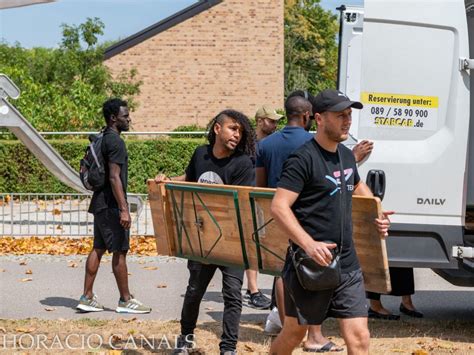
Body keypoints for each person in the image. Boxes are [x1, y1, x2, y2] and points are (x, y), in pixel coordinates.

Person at [268, 89, 393, 355]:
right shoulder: (302, 159)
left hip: (347, 264)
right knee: (294, 333)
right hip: (310, 264)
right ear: (319, 119)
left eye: (349, 115)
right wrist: (309, 244)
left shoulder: (346, 156)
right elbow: (279, 207)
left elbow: (357, 186)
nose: (347, 121)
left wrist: (377, 215)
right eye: (340, 115)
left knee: (359, 338)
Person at [155, 109, 256, 355]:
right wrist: (167, 181)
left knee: (232, 295)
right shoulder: (201, 154)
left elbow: (241, 204)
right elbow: (190, 178)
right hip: (202, 239)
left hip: (232, 240)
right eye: (233, 128)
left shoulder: (242, 163)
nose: (237, 134)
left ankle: (228, 349)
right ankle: (185, 340)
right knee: (193, 291)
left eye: (240, 131)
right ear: (217, 129)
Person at [76, 98, 151, 314]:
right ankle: (125, 300)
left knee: (98, 248)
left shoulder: (102, 138)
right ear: (113, 118)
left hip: (99, 203)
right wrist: (124, 209)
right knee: (119, 251)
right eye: (125, 116)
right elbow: (114, 177)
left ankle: (87, 296)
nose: (129, 119)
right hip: (111, 206)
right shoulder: (116, 142)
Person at [243, 105, 282, 310]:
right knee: (253, 243)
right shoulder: (250, 145)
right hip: (250, 196)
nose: (275, 124)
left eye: (276, 121)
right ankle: (253, 291)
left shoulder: (269, 144)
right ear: (259, 121)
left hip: (262, 197)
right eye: (271, 120)